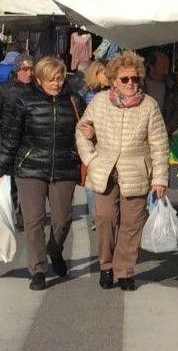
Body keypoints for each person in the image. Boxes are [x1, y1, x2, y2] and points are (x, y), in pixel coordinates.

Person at [77, 51, 169, 291]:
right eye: (125, 79)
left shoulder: (149, 106)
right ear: (113, 80)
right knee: (105, 218)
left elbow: (159, 144)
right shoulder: (99, 102)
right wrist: (90, 157)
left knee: (132, 223)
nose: (131, 84)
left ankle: (125, 269)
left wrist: (160, 178)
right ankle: (106, 265)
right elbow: (82, 129)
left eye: (135, 79)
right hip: (105, 169)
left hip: (136, 169)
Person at [0, 56, 81, 291]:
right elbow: (11, 140)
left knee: (62, 220)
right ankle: (38, 269)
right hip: (30, 168)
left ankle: (55, 249)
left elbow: (86, 132)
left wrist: (88, 131)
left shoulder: (74, 101)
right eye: (50, 79)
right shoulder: (24, 101)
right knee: (34, 221)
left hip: (63, 167)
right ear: (39, 80)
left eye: (59, 78)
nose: (56, 83)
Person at [0, 54, 34, 228]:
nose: (29, 73)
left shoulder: (37, 89)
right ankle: (10, 211)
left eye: (31, 69)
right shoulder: (4, 88)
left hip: (31, 142)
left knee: (29, 181)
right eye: (25, 69)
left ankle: (24, 212)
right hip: (8, 142)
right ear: (16, 70)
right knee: (10, 181)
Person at [80, 59, 109, 229]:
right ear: (96, 74)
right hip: (90, 142)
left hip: (105, 141)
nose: (107, 76)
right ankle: (95, 216)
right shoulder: (87, 94)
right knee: (91, 181)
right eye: (104, 72)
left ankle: (100, 214)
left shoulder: (112, 93)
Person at [144, 50, 178, 136]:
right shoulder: (138, 83)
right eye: (163, 68)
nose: (166, 72)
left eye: (167, 68)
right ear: (152, 67)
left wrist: (169, 128)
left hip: (162, 134)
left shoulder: (172, 85)